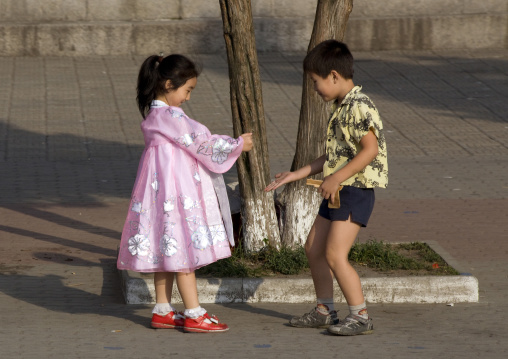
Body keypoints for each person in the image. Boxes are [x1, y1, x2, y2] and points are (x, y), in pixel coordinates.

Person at [117, 53, 253, 333]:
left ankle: (163, 310)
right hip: (175, 196)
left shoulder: (157, 115)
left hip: (159, 196)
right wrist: (237, 145)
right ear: (168, 84)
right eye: (187, 90)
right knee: (184, 253)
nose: (188, 97)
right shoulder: (170, 117)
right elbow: (201, 144)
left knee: (165, 249)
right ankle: (193, 313)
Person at [265, 40, 388, 336]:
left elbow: (369, 150)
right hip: (336, 191)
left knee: (335, 255)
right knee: (313, 249)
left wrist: (336, 178)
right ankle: (324, 310)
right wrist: (296, 174)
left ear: (333, 75)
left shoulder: (359, 106)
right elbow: (335, 156)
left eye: (316, 81)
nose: (315, 88)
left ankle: (360, 317)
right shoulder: (342, 106)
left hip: (353, 191)